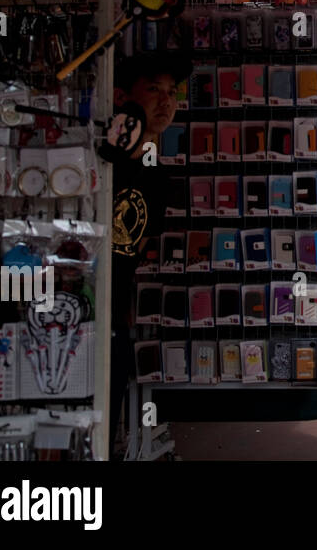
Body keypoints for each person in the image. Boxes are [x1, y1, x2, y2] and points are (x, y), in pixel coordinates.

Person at [110, 52, 191, 455]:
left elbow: (136, 250)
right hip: (72, 307)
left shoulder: (156, 173)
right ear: (121, 96)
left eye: (172, 92)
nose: (166, 101)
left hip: (113, 321)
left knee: (102, 424)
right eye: (154, 90)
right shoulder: (101, 159)